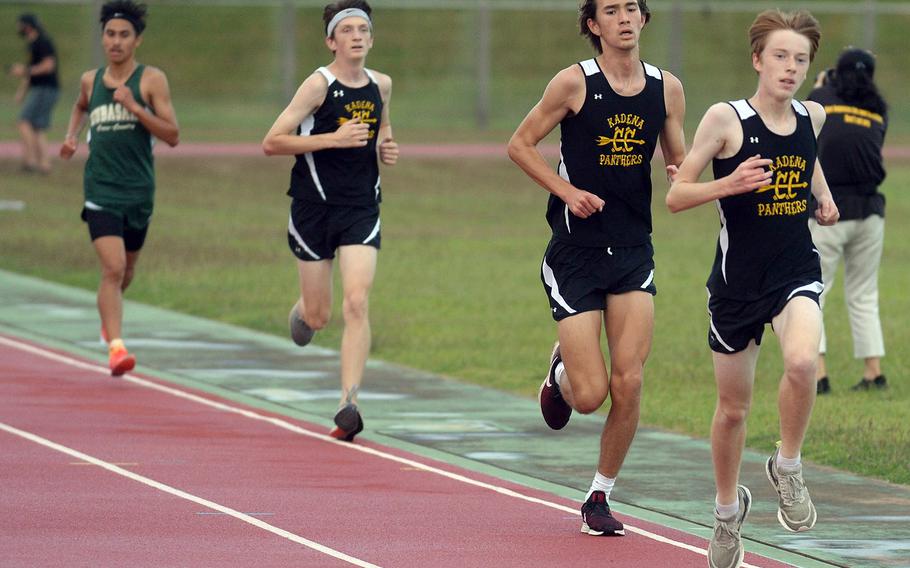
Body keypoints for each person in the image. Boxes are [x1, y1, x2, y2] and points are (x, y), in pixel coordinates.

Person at [665, 9, 838, 568]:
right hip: (737, 284)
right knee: (733, 411)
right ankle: (724, 513)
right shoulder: (725, 120)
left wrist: (824, 195)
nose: (790, 68)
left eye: (801, 60)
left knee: (803, 362)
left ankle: (787, 466)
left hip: (794, 270)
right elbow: (676, 195)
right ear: (758, 60)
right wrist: (730, 182)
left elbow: (805, 161)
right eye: (781, 57)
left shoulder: (814, 115)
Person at [508, 0, 686, 536]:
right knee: (590, 396)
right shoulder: (573, 83)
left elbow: (678, 159)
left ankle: (598, 497)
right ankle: (562, 373)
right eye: (612, 10)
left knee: (629, 380)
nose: (625, 17)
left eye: (633, 8)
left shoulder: (666, 88)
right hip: (575, 252)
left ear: (644, 19)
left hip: (633, 251)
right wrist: (567, 191)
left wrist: (694, 177)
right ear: (594, 25)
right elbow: (520, 145)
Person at [262, 0, 398, 442]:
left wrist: (386, 149)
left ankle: (348, 402)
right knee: (320, 316)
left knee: (357, 302)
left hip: (361, 208)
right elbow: (273, 141)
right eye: (348, 30)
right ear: (331, 41)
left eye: (364, 29)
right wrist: (332, 139)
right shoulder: (317, 86)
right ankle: (304, 310)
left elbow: (383, 131)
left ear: (371, 39)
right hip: (313, 208)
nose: (357, 36)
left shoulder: (381, 85)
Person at [59, 1, 179, 376]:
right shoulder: (89, 80)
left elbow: (172, 135)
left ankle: (107, 319)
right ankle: (116, 347)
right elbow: (80, 106)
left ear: (136, 40)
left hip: (139, 191)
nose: (115, 41)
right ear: (103, 38)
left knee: (125, 273)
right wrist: (71, 137)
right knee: (112, 268)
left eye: (124, 35)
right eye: (110, 34)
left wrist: (135, 108)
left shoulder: (150, 80)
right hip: (101, 190)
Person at [807, 48, 889, 395]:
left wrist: (819, 84)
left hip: (830, 210)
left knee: (815, 292)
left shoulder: (821, 97)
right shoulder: (879, 108)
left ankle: (819, 374)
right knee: (864, 293)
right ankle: (873, 371)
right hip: (870, 211)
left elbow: (808, 136)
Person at [9, 13, 59, 174]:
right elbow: (30, 74)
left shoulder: (42, 42)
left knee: (24, 122)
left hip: (45, 88)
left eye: (21, 25)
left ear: (28, 26)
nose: (19, 28)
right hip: (44, 89)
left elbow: (49, 65)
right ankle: (45, 164)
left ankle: (30, 160)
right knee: (37, 127)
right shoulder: (32, 45)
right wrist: (21, 92)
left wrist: (24, 70)